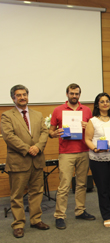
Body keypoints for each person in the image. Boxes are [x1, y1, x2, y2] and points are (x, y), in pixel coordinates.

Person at [1, 85, 50, 238]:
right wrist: (28, 148)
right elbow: (8, 136)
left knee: (36, 192)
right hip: (19, 161)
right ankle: (18, 224)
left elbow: (44, 132)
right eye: (18, 95)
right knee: (17, 195)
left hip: (37, 160)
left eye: (24, 94)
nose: (22, 97)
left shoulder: (37, 114)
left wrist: (38, 147)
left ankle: (36, 220)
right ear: (13, 98)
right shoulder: (7, 116)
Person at [49, 83, 95, 230]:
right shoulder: (58, 110)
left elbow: (93, 131)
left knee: (81, 184)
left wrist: (87, 126)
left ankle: (80, 211)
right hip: (66, 153)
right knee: (64, 186)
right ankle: (59, 216)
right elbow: (51, 131)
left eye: (77, 94)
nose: (74, 96)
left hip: (84, 151)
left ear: (79, 95)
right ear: (67, 94)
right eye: (72, 93)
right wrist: (54, 133)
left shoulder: (87, 110)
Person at [85, 93, 110, 228]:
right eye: (102, 101)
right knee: (102, 188)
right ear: (97, 104)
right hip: (98, 159)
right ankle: (106, 216)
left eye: (107, 101)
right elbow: (87, 140)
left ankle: (109, 212)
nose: (105, 104)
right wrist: (95, 149)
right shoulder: (93, 121)